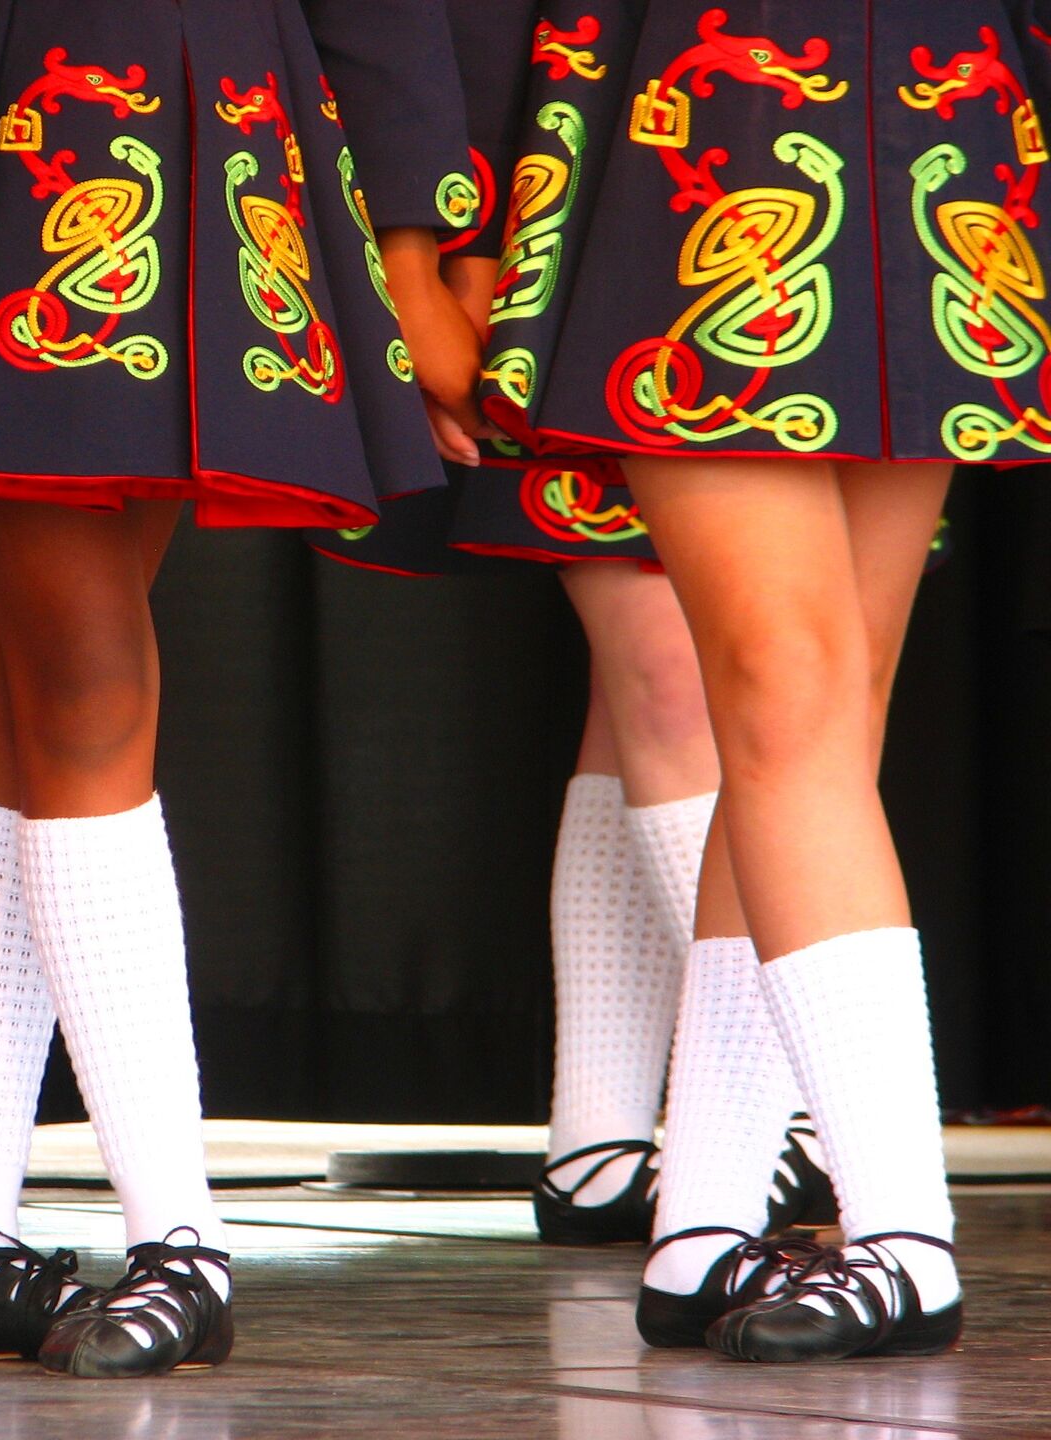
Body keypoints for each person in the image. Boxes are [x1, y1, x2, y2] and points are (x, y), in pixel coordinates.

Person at [0, 0, 483, 1379]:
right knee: (78, 678)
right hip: (13, 117)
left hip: (225, 128)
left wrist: (415, 246)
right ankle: (180, 1237)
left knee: (28, 679)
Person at [475, 0, 1035, 1362]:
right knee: (787, 686)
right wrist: (450, 214)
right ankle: (904, 1236)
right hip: (688, 125)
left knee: (824, 720)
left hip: (937, 112)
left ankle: (706, 1222)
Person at [317, 1, 837, 1248]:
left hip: (687, 167)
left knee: (644, 676)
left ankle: (598, 1139)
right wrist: (435, 249)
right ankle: (796, 1105)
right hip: (535, 196)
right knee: (668, 660)